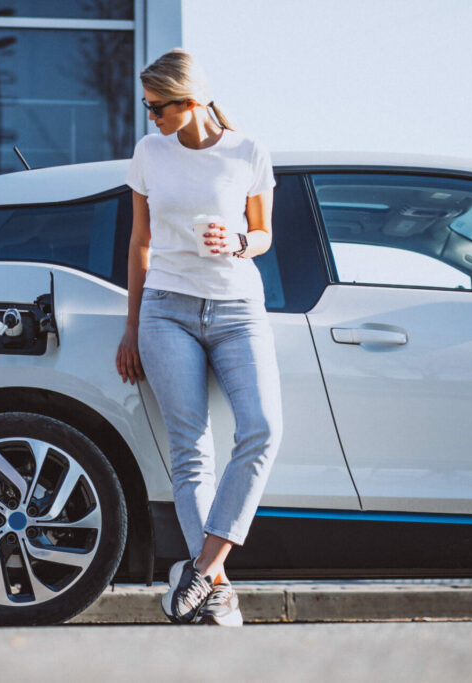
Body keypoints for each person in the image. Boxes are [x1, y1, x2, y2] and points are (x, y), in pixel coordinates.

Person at [115, 48, 283, 627]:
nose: (151, 119)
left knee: (263, 428)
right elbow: (140, 243)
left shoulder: (248, 152)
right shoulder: (149, 153)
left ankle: (202, 573)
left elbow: (263, 233)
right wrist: (133, 325)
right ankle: (217, 592)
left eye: (158, 108)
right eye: (148, 108)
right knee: (192, 453)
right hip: (166, 311)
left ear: (189, 103)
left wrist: (237, 242)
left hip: (238, 309)